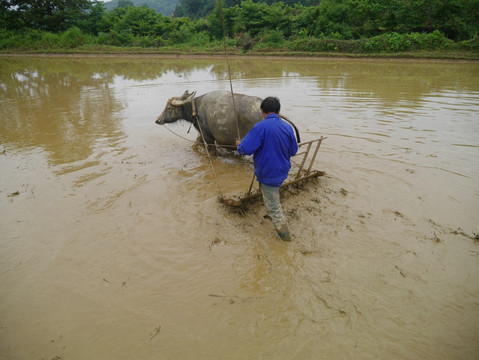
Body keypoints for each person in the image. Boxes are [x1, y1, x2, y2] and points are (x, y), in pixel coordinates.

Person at [236, 97, 298, 241]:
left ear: (262, 111)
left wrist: (239, 144)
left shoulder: (260, 127)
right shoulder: (287, 127)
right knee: (271, 195)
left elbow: (245, 149)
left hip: (268, 173)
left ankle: (286, 240)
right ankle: (271, 206)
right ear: (279, 111)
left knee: (275, 208)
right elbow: (294, 151)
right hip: (282, 170)